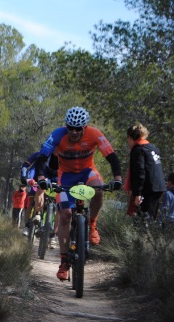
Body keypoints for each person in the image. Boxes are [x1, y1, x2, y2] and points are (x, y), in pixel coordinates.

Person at [36, 106, 122, 281]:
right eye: (70, 128)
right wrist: (41, 177)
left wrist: (118, 179)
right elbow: (42, 157)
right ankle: (63, 261)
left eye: (78, 129)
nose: (74, 132)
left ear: (85, 127)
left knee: (99, 189)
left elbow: (112, 156)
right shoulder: (58, 134)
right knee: (66, 215)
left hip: (88, 172)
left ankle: (92, 224)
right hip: (65, 176)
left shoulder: (95, 134)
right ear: (66, 126)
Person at [125, 123, 166, 220]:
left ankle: (143, 235)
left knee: (142, 220)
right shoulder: (153, 148)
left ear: (130, 138)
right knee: (150, 219)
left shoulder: (138, 150)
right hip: (159, 187)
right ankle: (150, 235)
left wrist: (137, 194)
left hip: (148, 189)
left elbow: (140, 172)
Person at [20, 152, 59, 248]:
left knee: (60, 206)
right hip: (37, 179)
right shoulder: (39, 155)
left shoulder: (61, 154)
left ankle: (53, 235)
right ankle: (28, 225)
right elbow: (26, 166)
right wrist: (25, 177)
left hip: (55, 178)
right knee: (31, 201)